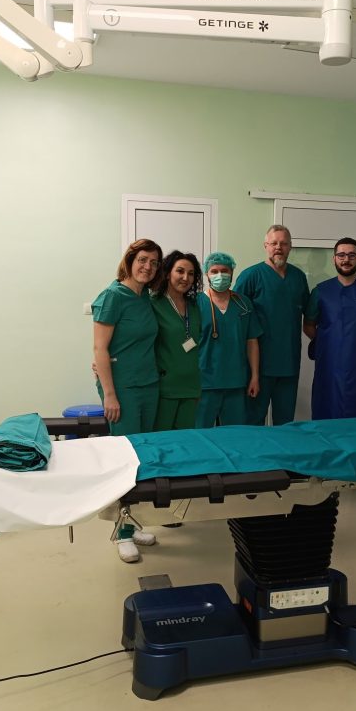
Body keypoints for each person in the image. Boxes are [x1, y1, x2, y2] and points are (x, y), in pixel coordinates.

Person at [91, 238, 162, 561]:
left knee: (142, 458)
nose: (148, 267)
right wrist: (109, 394)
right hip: (121, 389)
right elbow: (99, 349)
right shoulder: (112, 296)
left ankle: (132, 525)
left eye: (154, 262)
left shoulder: (144, 297)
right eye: (143, 260)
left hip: (148, 384)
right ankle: (121, 535)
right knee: (125, 461)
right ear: (130, 260)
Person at [303, 237, 356, 420]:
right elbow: (308, 325)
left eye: (351, 255)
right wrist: (329, 342)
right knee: (327, 412)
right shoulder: (320, 292)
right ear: (334, 259)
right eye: (341, 255)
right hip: (329, 364)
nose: (346, 259)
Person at [233, 225, 310, 426]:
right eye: (274, 243)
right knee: (253, 420)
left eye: (283, 243)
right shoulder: (251, 276)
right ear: (265, 246)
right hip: (258, 365)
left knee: (285, 422)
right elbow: (235, 319)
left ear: (290, 247)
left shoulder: (298, 277)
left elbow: (310, 314)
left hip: (289, 364)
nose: (278, 247)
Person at [195, 252, 262, 427]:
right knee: (200, 433)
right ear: (207, 274)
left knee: (234, 434)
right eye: (214, 271)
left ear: (232, 272)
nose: (220, 275)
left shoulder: (243, 303)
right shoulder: (195, 304)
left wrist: (255, 376)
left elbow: (252, 341)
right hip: (204, 383)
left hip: (236, 382)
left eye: (224, 271)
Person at [149, 250, 203, 431]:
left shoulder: (194, 306)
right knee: (162, 440)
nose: (185, 278)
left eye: (191, 273)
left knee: (186, 440)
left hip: (191, 386)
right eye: (180, 271)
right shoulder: (153, 303)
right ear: (167, 273)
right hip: (165, 387)